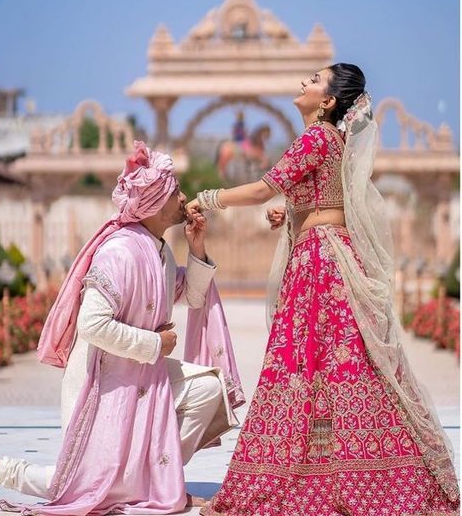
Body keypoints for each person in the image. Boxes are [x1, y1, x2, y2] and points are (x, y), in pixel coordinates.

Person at [187, 63, 460, 515]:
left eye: (314, 81)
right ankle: (374, 477)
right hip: (328, 255)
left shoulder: (316, 137)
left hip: (321, 263)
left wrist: (208, 198)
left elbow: (261, 190)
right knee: (342, 369)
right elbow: (319, 200)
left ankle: (314, 476)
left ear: (328, 102)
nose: (304, 83)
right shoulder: (333, 143)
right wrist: (289, 215)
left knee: (303, 367)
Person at [0, 142, 244, 515]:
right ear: (155, 203)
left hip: (141, 375)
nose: (183, 198)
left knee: (208, 388)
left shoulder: (158, 250)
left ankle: (156, 478)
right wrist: (153, 343)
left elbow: (190, 296)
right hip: (102, 382)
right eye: (175, 192)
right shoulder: (120, 252)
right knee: (91, 482)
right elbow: (93, 325)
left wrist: (198, 250)